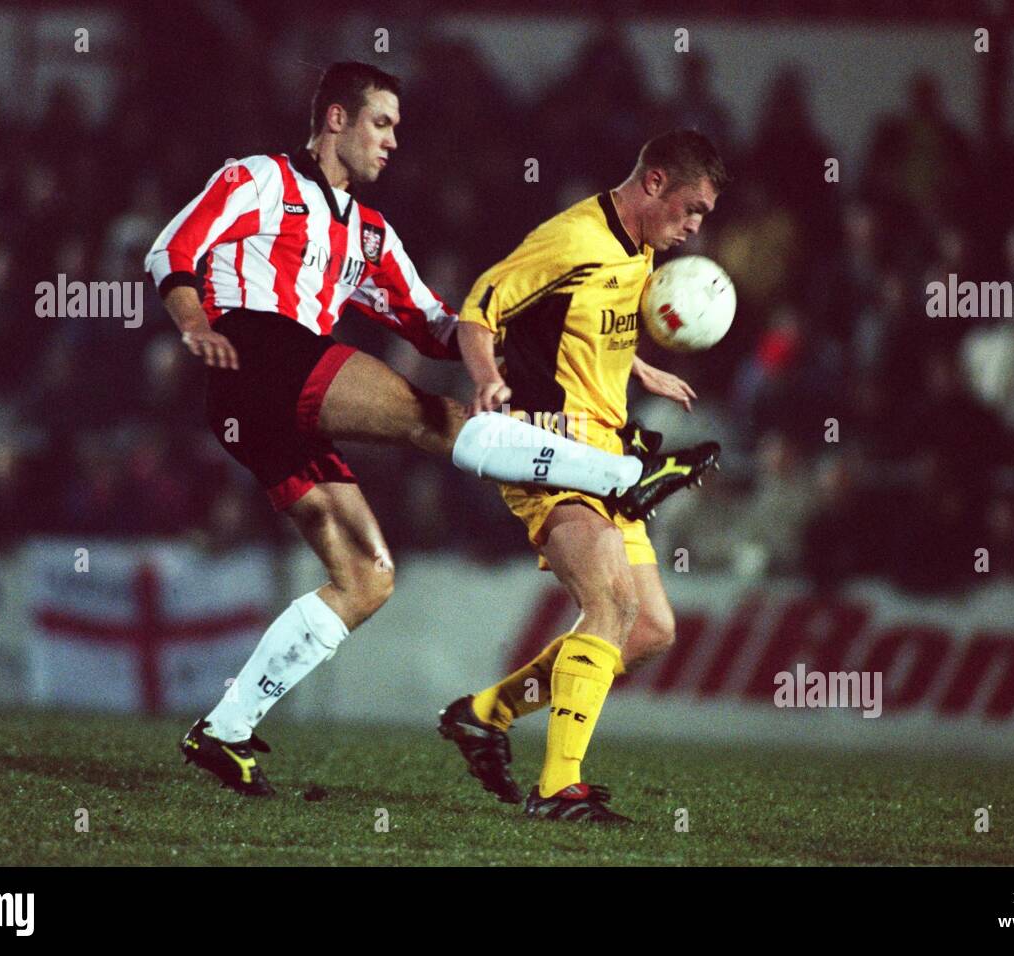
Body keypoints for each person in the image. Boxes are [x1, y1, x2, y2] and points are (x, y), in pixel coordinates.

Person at [148, 62, 715, 795]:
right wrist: (194, 323)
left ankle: (222, 731)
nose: (392, 142)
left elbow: (439, 325)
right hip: (256, 352)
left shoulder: (372, 236)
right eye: (380, 124)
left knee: (368, 578)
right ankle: (627, 475)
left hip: (270, 402)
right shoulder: (261, 179)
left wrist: (595, 347)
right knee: (435, 419)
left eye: (397, 129)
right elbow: (171, 247)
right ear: (336, 120)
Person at [438, 130, 727, 822]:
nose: (692, 229)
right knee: (607, 604)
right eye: (691, 210)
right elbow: (480, 309)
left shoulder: (640, 251)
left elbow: (579, 320)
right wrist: (487, 384)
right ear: (653, 182)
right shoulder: (573, 237)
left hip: (610, 452)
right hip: (552, 449)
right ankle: (557, 788)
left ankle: (486, 713)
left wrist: (638, 367)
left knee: (651, 629)